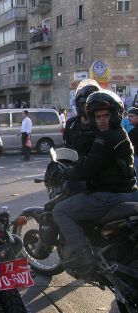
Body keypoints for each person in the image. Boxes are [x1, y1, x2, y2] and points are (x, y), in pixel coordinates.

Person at [53, 90, 137, 275]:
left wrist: (67, 173)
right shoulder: (119, 133)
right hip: (127, 191)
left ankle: (83, 255)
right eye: (98, 116)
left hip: (108, 195)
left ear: (114, 115)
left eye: (105, 115)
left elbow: (89, 165)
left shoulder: (106, 138)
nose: (102, 120)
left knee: (60, 210)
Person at [64, 79, 101, 157]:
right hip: (75, 166)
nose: (90, 107)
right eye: (86, 104)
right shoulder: (71, 124)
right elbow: (67, 148)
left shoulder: (103, 123)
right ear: (80, 105)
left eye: (93, 103)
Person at [126, 107, 138, 174]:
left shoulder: (134, 131)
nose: (128, 118)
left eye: (131, 116)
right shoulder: (133, 130)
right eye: (128, 116)